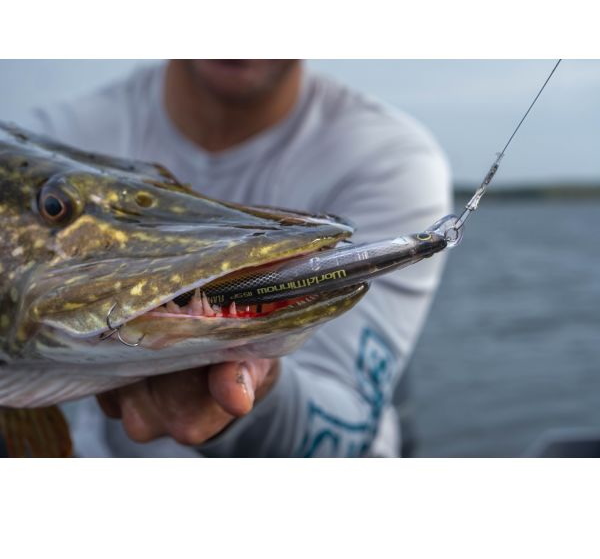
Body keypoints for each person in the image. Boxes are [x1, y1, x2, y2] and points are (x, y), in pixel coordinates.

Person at [28, 60, 451, 457]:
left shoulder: (390, 158)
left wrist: (258, 396)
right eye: (55, 209)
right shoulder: (47, 139)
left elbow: (348, 419)